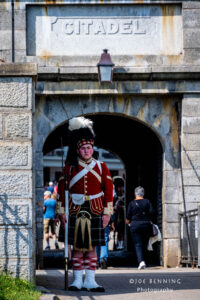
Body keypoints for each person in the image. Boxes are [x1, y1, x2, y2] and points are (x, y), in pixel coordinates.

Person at [57, 116, 113, 292]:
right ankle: (77, 281)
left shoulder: (102, 166)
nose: (87, 151)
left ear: (92, 148)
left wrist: (107, 213)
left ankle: (90, 281)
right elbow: (62, 189)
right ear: (78, 150)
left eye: (89, 147)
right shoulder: (70, 167)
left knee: (92, 248)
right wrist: (61, 211)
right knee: (77, 249)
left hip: (96, 209)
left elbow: (109, 190)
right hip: (75, 209)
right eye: (83, 148)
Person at [126, 186, 154, 270]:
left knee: (138, 244)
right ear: (143, 194)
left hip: (135, 225)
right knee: (145, 243)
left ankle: (141, 261)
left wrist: (128, 222)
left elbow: (128, 216)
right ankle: (145, 261)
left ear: (135, 193)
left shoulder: (131, 203)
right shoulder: (147, 202)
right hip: (146, 225)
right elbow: (152, 212)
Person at [113, 176, 125, 250]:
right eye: (118, 187)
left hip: (123, 213)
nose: (119, 189)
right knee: (117, 229)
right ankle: (118, 243)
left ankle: (122, 243)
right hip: (117, 214)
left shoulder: (124, 194)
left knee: (122, 229)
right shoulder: (115, 195)